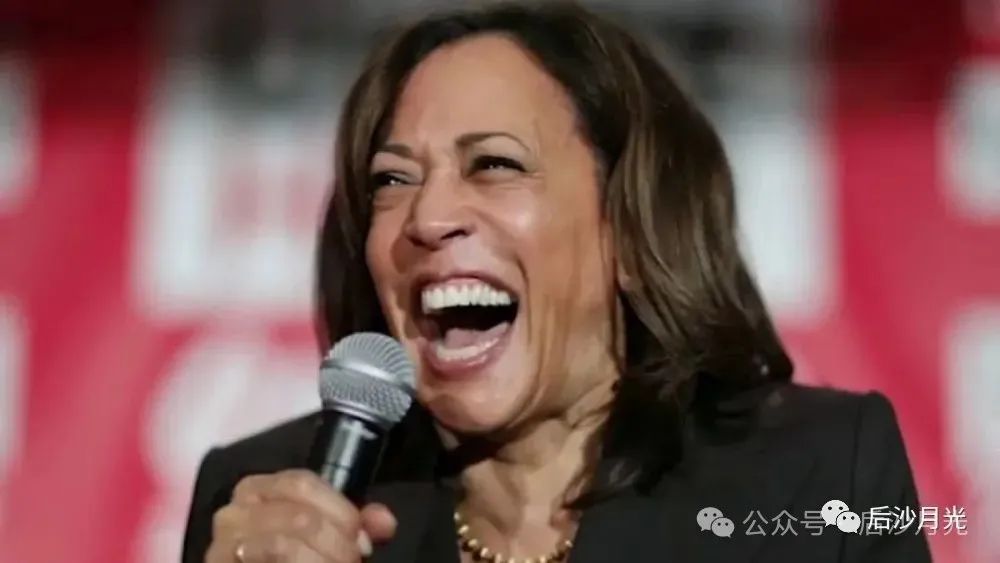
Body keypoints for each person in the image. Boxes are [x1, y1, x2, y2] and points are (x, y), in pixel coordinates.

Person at [182, 3, 932, 562]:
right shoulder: (265, 500)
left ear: (630, 224)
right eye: (392, 180)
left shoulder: (819, 475)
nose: (428, 217)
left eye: (494, 164)